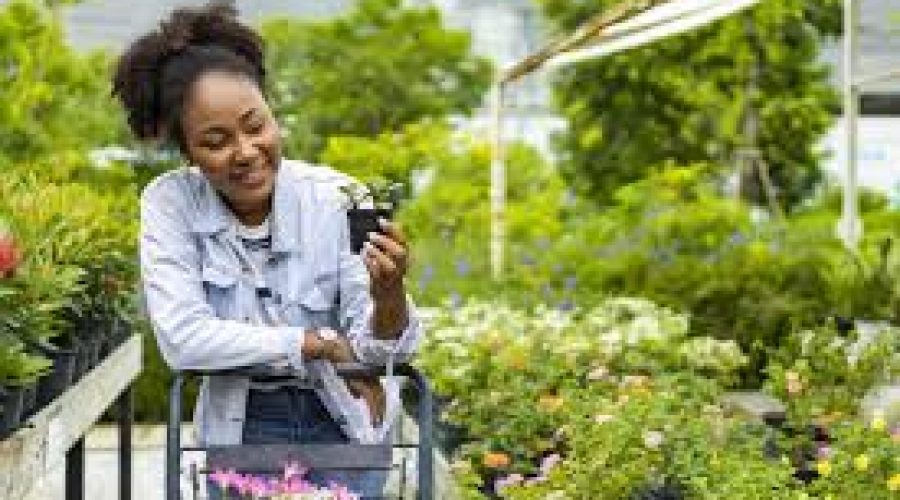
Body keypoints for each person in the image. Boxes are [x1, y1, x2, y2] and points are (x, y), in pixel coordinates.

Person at [111, 2, 422, 497]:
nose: (246, 151)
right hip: (241, 426)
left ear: (272, 112)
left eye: (256, 125)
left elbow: (377, 351)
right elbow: (182, 339)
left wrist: (390, 293)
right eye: (216, 141)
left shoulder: (339, 197)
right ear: (187, 151)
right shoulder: (170, 204)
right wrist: (312, 342)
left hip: (346, 420)